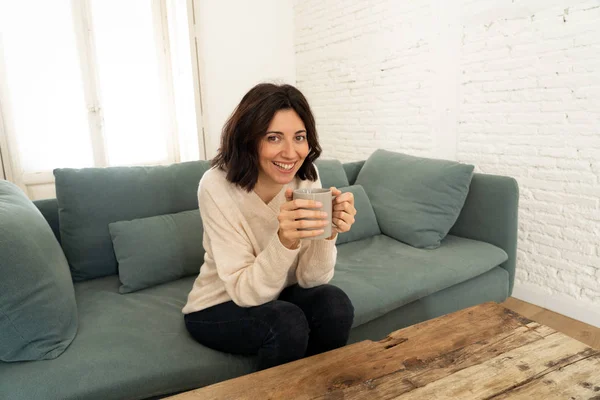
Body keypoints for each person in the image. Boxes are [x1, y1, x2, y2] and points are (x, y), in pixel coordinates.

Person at [182, 83, 357, 371]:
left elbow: (312, 279)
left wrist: (329, 232)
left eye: (299, 137)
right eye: (274, 137)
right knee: (285, 322)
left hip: (279, 294)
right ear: (248, 139)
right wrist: (285, 240)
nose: (290, 153)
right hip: (219, 303)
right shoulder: (215, 186)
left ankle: (321, 389)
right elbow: (247, 294)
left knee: (334, 303)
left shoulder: (306, 177)